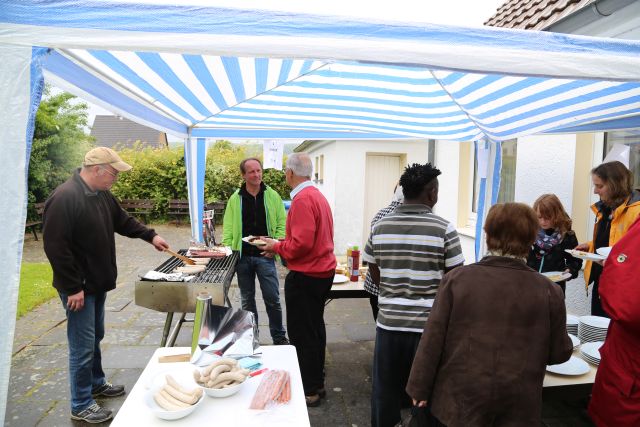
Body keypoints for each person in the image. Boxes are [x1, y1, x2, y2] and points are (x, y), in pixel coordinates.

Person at [407, 203, 573, 427]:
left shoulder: (457, 280)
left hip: (459, 402)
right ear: (532, 238)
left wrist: (419, 388)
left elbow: (432, 340)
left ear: (487, 235)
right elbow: (559, 354)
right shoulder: (549, 290)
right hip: (517, 406)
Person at [42, 147, 169, 423]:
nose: (116, 178)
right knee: (82, 344)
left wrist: (151, 236)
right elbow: (55, 247)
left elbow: (122, 220)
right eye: (113, 173)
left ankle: (96, 382)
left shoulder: (101, 195)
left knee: (94, 336)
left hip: (96, 283)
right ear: (97, 169)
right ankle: (81, 403)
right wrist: (73, 286)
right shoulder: (65, 198)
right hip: (79, 288)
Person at [362, 163, 465, 427]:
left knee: (384, 390)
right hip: (429, 327)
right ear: (431, 193)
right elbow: (455, 279)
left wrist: (391, 290)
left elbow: (372, 267)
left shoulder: (380, 227)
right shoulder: (444, 229)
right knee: (426, 393)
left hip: (388, 323)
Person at [261, 153, 336, 407]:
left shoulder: (303, 199)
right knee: (315, 328)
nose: (285, 175)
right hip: (322, 272)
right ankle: (317, 380)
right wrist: (280, 246)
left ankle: (310, 389)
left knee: (303, 333)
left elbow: (301, 244)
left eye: (285, 172)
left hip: (307, 275)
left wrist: (277, 246)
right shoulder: (317, 196)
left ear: (291, 173)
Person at [222, 157, 288, 345]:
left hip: (265, 255)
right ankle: (252, 338)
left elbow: (282, 223)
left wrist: (275, 248)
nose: (257, 174)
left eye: (259, 170)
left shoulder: (272, 195)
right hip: (243, 257)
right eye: (251, 171)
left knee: (273, 299)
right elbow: (228, 227)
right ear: (243, 175)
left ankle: (279, 337)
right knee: (247, 301)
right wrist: (229, 251)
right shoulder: (235, 198)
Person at [588, 218, 640, 426]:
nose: (595, 191)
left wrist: (612, 265)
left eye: (599, 185)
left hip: (630, 377)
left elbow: (627, 304)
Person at [575, 161, 640, 317]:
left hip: (623, 287)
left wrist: (615, 259)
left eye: (600, 186)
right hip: (603, 280)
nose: (596, 191)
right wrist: (590, 245)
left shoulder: (636, 211)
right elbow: (611, 239)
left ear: (615, 185)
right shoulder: (605, 208)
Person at [526, 194, 582, 294]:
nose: (543, 221)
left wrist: (570, 270)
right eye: (539, 217)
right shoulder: (529, 232)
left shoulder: (567, 235)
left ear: (557, 215)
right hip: (529, 287)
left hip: (554, 289)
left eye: (547, 217)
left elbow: (575, 259)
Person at [362, 184, 404, 320]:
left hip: (376, 286)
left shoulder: (380, 215)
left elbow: (372, 256)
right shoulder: (420, 218)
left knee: (381, 325)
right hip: (402, 288)